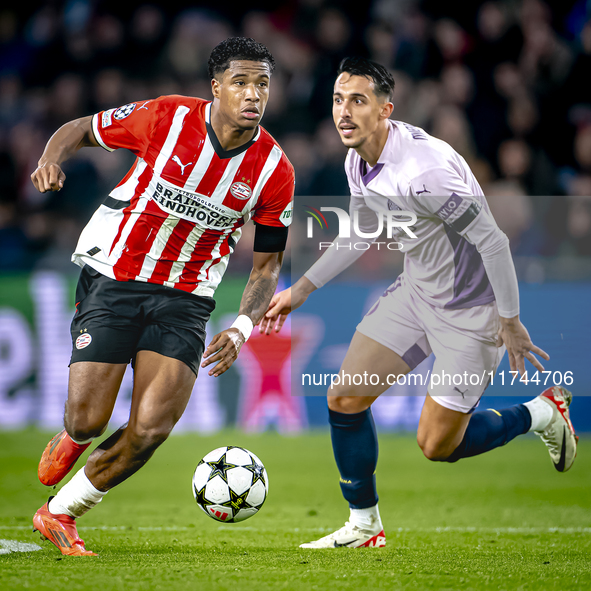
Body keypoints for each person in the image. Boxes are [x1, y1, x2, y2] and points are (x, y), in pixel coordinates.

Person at [262, 57, 577, 549]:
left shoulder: (425, 173)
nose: (344, 112)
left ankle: (541, 413)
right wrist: (302, 289)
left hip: (472, 315)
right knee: (344, 398)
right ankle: (365, 525)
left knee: (437, 446)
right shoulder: (357, 157)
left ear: (386, 109)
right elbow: (363, 229)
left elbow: (493, 241)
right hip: (416, 294)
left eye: (358, 101)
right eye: (338, 100)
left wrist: (510, 321)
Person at [30, 37, 294, 557]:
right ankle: (74, 434)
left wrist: (241, 327)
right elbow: (78, 129)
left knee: (151, 428)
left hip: (187, 299)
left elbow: (267, 266)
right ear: (215, 88)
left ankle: (60, 512)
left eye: (262, 84)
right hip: (117, 277)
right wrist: (50, 160)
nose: (252, 94)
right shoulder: (166, 117)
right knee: (88, 418)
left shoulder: (274, 170)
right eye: (240, 82)